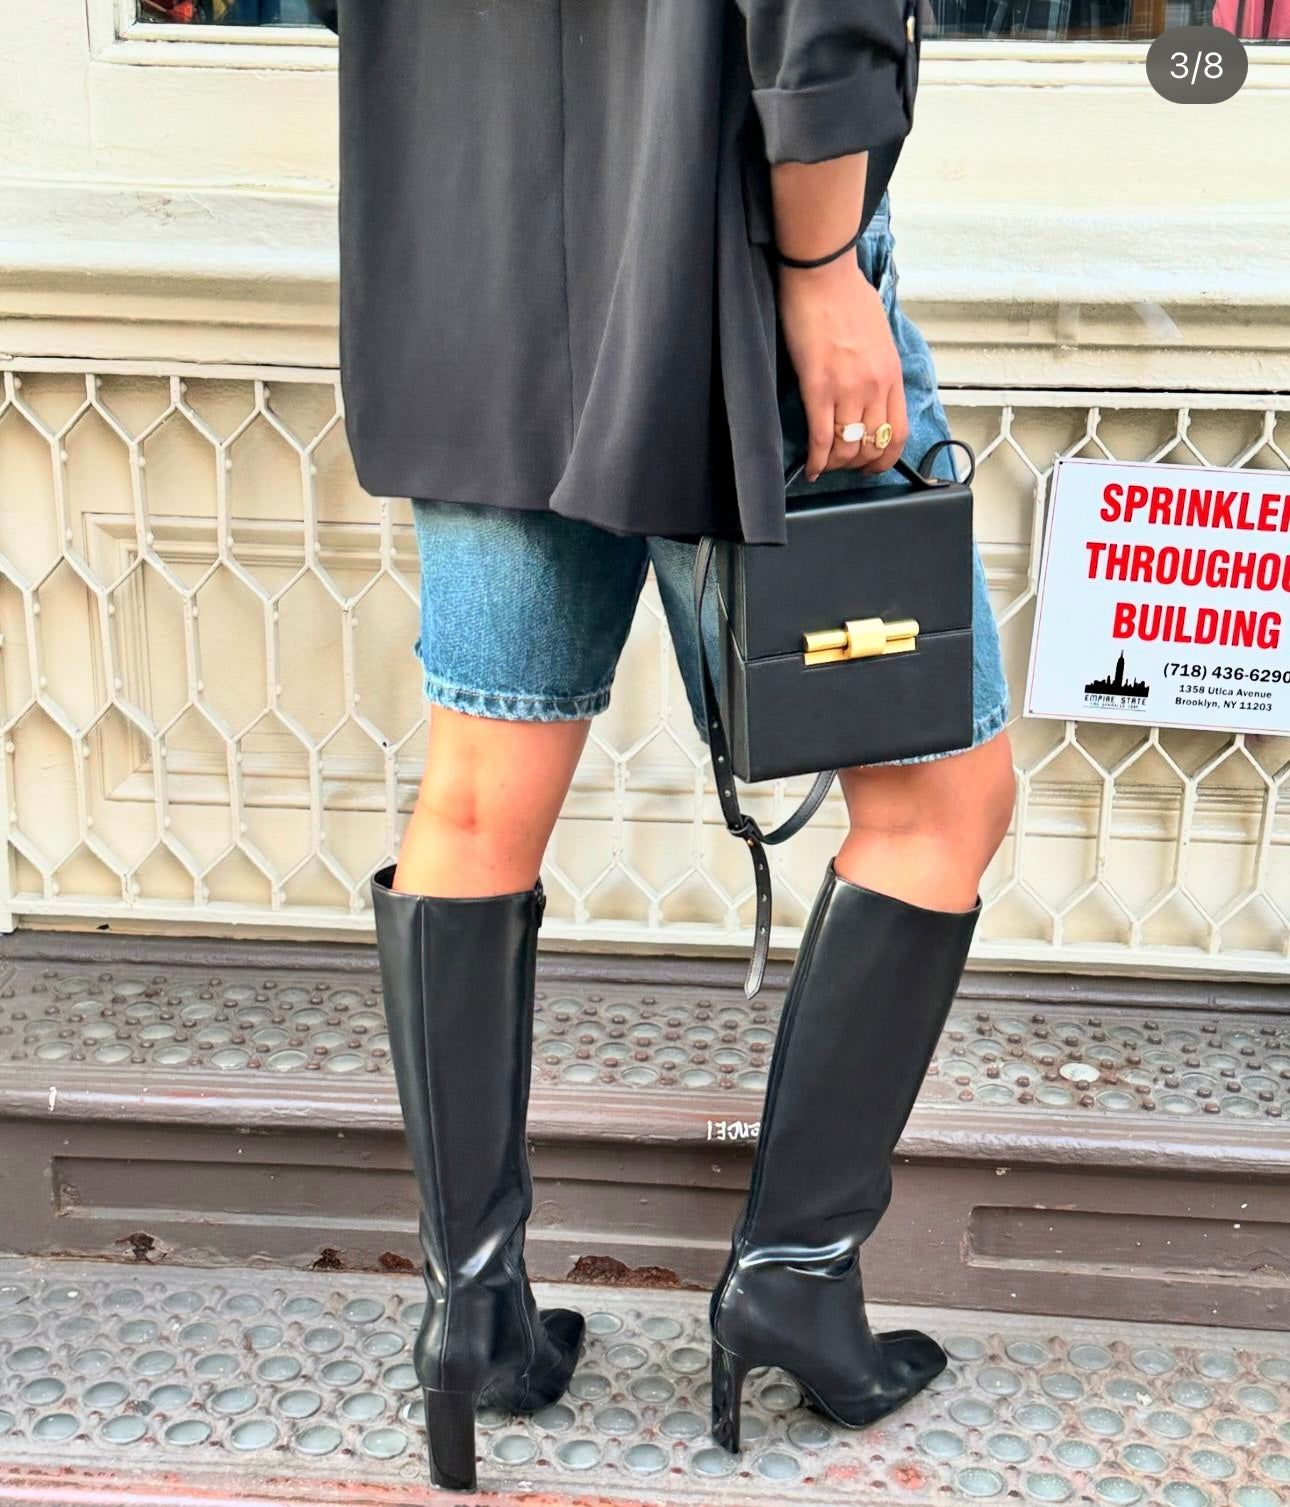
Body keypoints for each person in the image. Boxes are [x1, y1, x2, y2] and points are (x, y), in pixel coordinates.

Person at [312, 0, 1016, 1491]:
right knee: (940, 799)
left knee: (476, 794)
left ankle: (472, 1315)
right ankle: (794, 1283)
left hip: (471, 273)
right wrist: (822, 269)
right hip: (731, 276)